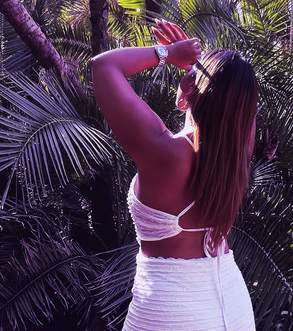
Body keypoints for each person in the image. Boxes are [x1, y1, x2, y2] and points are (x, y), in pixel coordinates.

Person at [91, 20, 258, 331]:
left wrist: (167, 54)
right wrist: (200, 69)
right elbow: (232, 102)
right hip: (234, 307)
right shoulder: (238, 152)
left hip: (171, 312)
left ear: (191, 90)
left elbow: (104, 66)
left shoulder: (164, 152)